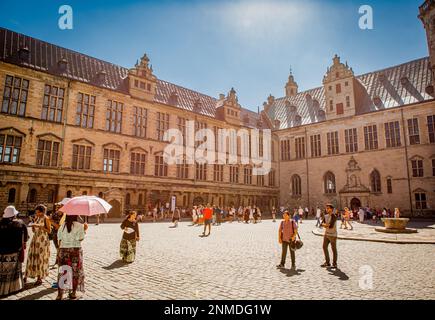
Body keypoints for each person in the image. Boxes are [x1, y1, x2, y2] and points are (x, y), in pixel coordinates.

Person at [0, 206, 29, 296]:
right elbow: (26, 238)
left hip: (1, 252)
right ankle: (12, 288)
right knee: (13, 272)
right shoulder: (20, 223)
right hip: (14, 252)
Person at [56, 215, 86, 300]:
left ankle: (60, 295)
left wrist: (60, 250)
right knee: (75, 272)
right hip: (75, 250)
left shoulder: (62, 225)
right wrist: (85, 229)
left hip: (63, 250)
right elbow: (80, 238)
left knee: (63, 272)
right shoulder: (80, 225)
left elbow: (59, 238)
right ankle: (73, 293)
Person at [25, 204, 51, 286]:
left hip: (43, 241)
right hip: (35, 239)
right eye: (36, 212)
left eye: (38, 212)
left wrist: (39, 226)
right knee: (33, 256)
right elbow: (34, 231)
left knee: (40, 258)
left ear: (42, 212)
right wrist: (33, 226)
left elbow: (49, 230)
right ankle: (29, 274)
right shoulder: (37, 217)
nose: (37, 214)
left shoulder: (46, 218)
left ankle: (40, 278)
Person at [321, 204, 338, 269]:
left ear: (331, 209)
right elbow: (321, 224)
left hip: (333, 235)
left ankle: (334, 263)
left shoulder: (334, 216)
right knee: (324, 247)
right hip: (326, 234)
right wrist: (326, 225)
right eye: (326, 208)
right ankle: (327, 262)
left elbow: (330, 226)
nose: (327, 209)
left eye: (328, 208)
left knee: (334, 249)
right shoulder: (326, 216)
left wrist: (325, 225)